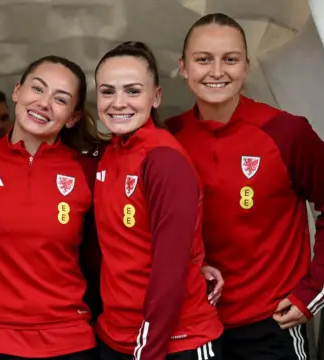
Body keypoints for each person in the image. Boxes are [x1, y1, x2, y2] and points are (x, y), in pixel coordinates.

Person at [165, 13, 324, 360]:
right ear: (184, 67)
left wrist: (313, 293)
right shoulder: (168, 139)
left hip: (269, 324)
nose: (217, 71)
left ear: (247, 67)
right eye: (203, 59)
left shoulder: (287, 133)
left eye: (230, 59)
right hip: (192, 323)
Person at [0, 55, 105, 360]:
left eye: (60, 99)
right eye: (38, 89)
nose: (44, 103)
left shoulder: (89, 170)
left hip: (70, 341)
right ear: (17, 92)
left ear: (72, 117)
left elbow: (111, 249)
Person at [92, 41, 223, 360]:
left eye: (133, 91)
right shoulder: (109, 154)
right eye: (107, 91)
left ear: (156, 97)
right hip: (117, 336)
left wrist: (148, 348)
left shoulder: (163, 159)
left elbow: (170, 268)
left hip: (175, 342)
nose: (118, 102)